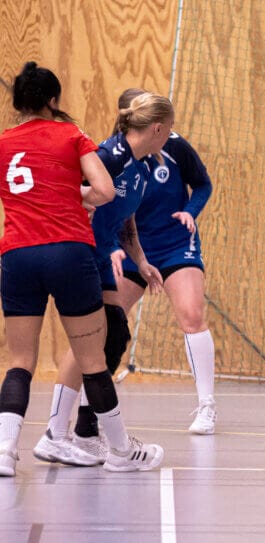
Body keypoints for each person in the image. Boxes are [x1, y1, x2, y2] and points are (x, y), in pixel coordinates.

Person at [0, 62, 164, 476]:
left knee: (20, 359)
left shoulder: (3, 143)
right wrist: (75, 193)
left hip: (17, 254)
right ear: (54, 101)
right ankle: (121, 450)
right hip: (69, 252)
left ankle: (4, 452)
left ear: (18, 102)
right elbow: (106, 191)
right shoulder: (72, 135)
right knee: (93, 358)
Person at [31, 89, 174, 467]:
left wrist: (141, 262)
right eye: (170, 129)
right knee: (93, 338)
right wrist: (87, 208)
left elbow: (126, 223)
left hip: (102, 254)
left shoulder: (142, 170)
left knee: (113, 337)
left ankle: (82, 430)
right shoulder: (109, 156)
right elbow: (65, 190)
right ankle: (59, 433)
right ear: (158, 128)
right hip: (80, 252)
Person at [111, 88, 216, 435]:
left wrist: (189, 212)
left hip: (174, 244)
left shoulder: (175, 146)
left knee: (192, 314)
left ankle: (206, 407)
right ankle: (91, 407)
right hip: (130, 247)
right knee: (104, 323)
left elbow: (202, 184)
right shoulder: (112, 153)